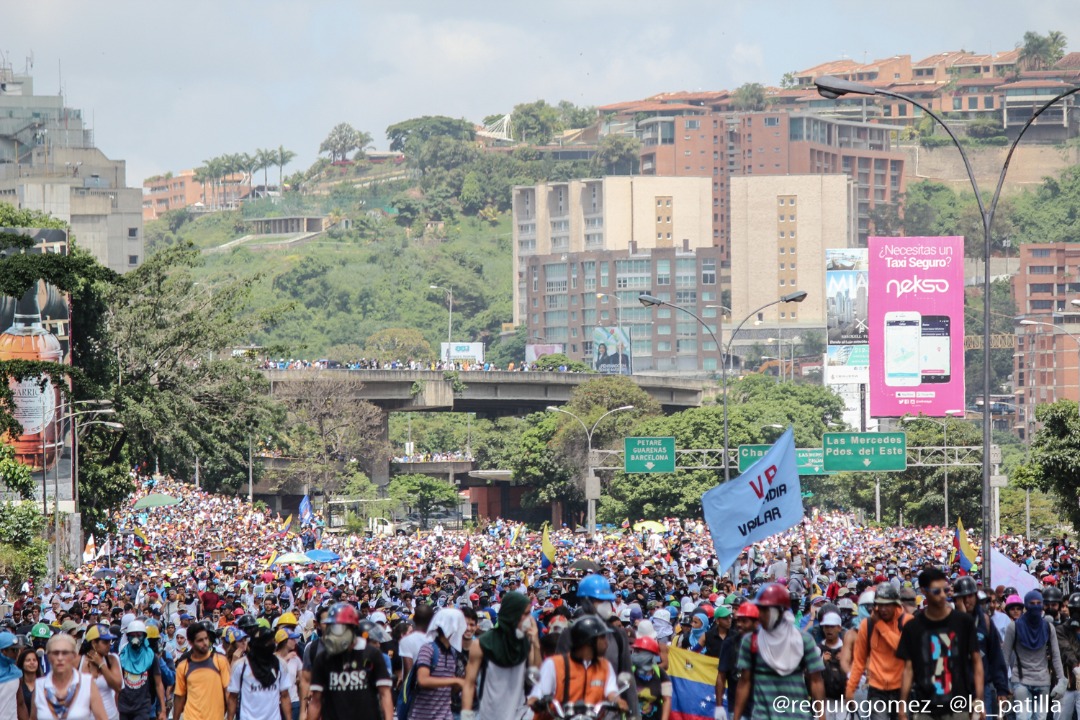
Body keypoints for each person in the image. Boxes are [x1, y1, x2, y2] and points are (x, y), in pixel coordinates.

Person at [896, 568, 983, 720]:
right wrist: (902, 707)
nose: (943, 595)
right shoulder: (913, 627)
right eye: (937, 591)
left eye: (946, 590)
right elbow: (908, 669)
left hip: (959, 708)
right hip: (925, 709)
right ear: (924, 591)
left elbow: (976, 662)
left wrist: (979, 700)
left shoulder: (963, 622)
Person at [730, 582, 826, 720]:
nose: (759, 615)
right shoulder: (750, 642)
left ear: (778, 611)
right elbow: (744, 681)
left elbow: (816, 681)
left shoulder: (803, 641)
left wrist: (822, 716)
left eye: (764, 610)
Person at [461, 591, 540, 720]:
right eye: (525, 614)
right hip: (490, 714)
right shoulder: (482, 644)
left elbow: (535, 677)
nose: (529, 619)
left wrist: (535, 643)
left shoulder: (526, 643)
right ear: (513, 614)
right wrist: (466, 715)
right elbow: (469, 684)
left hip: (519, 714)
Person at [308, 603, 393, 720]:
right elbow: (316, 702)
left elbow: (385, 693)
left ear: (352, 628)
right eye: (330, 627)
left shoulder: (372, 654)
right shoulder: (323, 659)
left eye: (337, 628)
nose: (333, 632)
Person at [527, 615, 628, 715]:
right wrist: (535, 700)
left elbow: (611, 692)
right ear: (589, 641)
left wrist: (618, 701)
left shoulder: (605, 666)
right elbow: (539, 692)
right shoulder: (554, 664)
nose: (606, 642)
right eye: (602, 638)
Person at [845, 583, 909, 720]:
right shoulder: (867, 625)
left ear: (896, 604)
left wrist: (880, 625)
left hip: (903, 689)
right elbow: (859, 660)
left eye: (888, 605)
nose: (884, 609)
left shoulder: (907, 621)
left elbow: (903, 648)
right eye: (880, 605)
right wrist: (850, 689)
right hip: (877, 690)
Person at [1003, 589, 1066, 720]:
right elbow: (1005, 656)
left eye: (1039, 603)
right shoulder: (1013, 627)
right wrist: (1003, 683)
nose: (1036, 606)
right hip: (1020, 680)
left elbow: (1055, 655)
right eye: (1032, 603)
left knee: (1041, 717)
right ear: (1026, 605)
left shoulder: (1048, 627)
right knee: (1023, 716)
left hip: (1043, 680)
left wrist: (1061, 680)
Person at [951, 577, 1009, 716]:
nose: (967, 601)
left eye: (970, 596)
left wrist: (1001, 688)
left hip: (982, 689)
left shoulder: (985, 622)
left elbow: (995, 656)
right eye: (962, 597)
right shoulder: (949, 622)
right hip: (956, 690)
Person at [33, 632, 110, 720]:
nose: (60, 658)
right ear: (49, 656)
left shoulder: (87, 683)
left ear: (74, 656)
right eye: (55, 653)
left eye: (65, 653)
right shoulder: (39, 685)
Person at [411, 607, 466, 720]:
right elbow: (423, 680)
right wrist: (455, 680)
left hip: (445, 715)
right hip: (423, 716)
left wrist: (461, 682)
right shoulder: (428, 649)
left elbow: (449, 690)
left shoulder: (452, 653)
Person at [226, 625, 291, 720]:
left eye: (271, 641)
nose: (270, 644)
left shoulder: (280, 665)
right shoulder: (241, 666)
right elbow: (233, 697)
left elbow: (285, 696)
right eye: (267, 642)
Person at [173, 622, 231, 720]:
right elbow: (179, 696)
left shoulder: (220, 661)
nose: (205, 643)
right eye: (200, 640)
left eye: (206, 638)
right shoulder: (183, 665)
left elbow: (228, 693)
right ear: (191, 642)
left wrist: (229, 717)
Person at [717, 602, 758, 720]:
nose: (739, 624)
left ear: (756, 623)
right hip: (736, 710)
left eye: (744, 621)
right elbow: (721, 675)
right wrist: (719, 706)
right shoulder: (729, 644)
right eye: (738, 620)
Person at [117, 620, 165, 720]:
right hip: (123, 706)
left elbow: (158, 683)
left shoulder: (151, 656)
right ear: (128, 636)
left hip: (142, 707)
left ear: (144, 636)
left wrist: (163, 709)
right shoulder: (122, 656)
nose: (135, 638)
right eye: (132, 635)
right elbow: (116, 684)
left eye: (138, 635)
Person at [79, 624, 121, 720]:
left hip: (110, 716)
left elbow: (118, 687)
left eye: (109, 642)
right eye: (105, 642)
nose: (109, 646)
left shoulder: (112, 660)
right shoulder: (78, 661)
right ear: (94, 643)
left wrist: (102, 665)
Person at [630, 635, 670, 720]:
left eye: (638, 651)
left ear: (650, 654)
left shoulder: (660, 673)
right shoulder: (630, 671)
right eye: (635, 651)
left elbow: (667, 700)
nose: (635, 654)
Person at [816, 613, 846, 720]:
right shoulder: (818, 649)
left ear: (839, 628)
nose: (829, 630)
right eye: (826, 626)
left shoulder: (846, 649)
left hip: (843, 701)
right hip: (824, 700)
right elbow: (811, 675)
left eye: (832, 626)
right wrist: (822, 661)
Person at [274, 628, 302, 720]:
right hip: (275, 703)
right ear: (284, 641)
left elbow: (303, 680)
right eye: (292, 639)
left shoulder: (295, 659)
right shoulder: (272, 659)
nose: (295, 641)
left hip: (294, 702)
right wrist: (285, 660)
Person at [0, 631, 21, 720]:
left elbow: (21, 703)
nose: (17, 653)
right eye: (14, 650)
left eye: (18, 650)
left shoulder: (16, 673)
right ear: (2, 650)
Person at [17, 647, 42, 720]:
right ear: (22, 663)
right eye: (28, 660)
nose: (32, 663)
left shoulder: (44, 684)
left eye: (34, 660)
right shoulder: (17, 684)